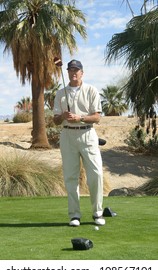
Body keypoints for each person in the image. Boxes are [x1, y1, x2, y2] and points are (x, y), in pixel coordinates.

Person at [53, 59, 105, 227]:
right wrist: (63, 116)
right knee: (70, 177)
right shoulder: (61, 93)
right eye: (71, 70)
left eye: (77, 70)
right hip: (67, 136)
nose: (73, 72)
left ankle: (97, 213)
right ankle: (74, 215)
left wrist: (79, 117)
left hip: (88, 134)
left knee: (96, 174)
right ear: (67, 72)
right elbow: (54, 120)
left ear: (82, 72)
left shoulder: (91, 90)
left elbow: (97, 117)